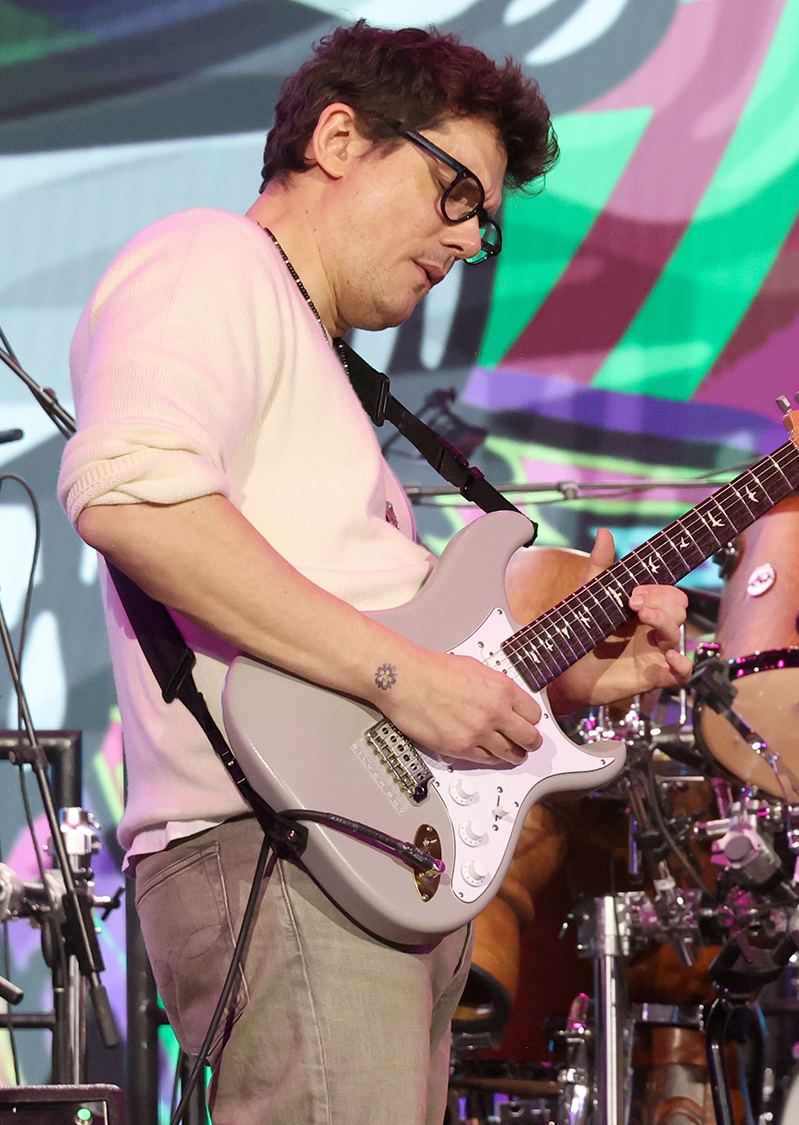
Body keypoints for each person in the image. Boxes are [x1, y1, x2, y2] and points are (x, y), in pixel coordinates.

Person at [58, 25, 692, 1123]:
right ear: (340, 138)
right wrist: (406, 679)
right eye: (454, 192)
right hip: (278, 851)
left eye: (484, 221)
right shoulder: (209, 258)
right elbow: (133, 497)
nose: (466, 238)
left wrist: (557, 684)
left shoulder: (322, 365)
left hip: (357, 861)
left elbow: (384, 638)